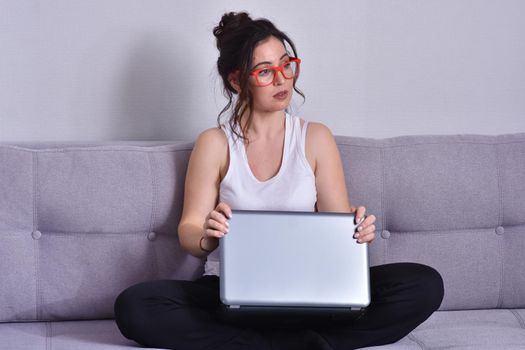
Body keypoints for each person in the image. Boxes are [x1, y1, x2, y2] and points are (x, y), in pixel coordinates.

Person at [113, 11, 444, 350]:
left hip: (310, 291)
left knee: (423, 284)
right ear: (237, 81)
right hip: (231, 295)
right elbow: (189, 232)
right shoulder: (215, 143)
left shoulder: (315, 138)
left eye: (287, 65)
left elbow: (335, 226)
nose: (282, 80)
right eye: (265, 72)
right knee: (136, 305)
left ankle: (262, 344)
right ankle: (305, 344)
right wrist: (209, 235)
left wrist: (355, 230)